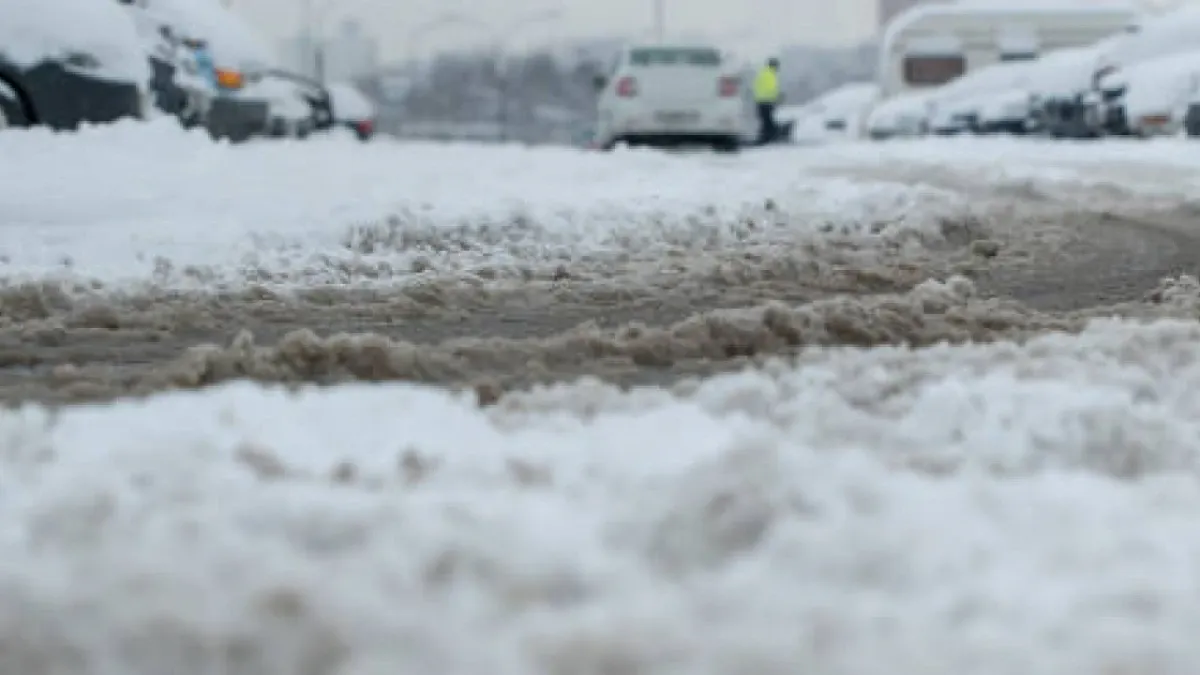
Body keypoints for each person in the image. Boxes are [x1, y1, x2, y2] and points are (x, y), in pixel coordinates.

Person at [753, 57, 781, 144]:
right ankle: (769, 136)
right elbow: (772, 89)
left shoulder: (762, 72)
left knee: (765, 120)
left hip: (759, 100)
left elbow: (756, 85)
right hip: (767, 101)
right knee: (768, 119)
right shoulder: (771, 75)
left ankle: (764, 135)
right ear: (774, 66)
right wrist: (777, 97)